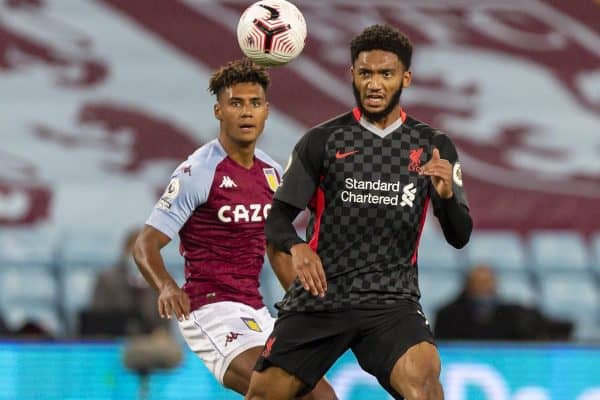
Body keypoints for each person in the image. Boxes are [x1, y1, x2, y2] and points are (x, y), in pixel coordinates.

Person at [246, 24, 473, 400]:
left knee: (425, 384)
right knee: (263, 395)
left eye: (386, 74)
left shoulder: (433, 146)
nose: (375, 84)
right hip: (322, 297)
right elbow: (278, 218)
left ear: (406, 78)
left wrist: (447, 196)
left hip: (390, 299)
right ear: (352, 74)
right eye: (365, 73)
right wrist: (296, 248)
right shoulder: (322, 141)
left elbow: (460, 236)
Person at [133, 59, 337, 399]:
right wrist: (167, 287)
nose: (246, 112)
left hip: (255, 309)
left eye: (254, 103)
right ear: (219, 111)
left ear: (266, 111)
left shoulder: (272, 173)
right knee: (274, 387)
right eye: (236, 103)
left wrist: (303, 305)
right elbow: (144, 245)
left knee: (322, 396)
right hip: (208, 308)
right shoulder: (197, 172)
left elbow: (276, 248)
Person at [434, 264, 573, 341]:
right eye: (479, 283)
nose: (484, 288)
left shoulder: (512, 315)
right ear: (468, 287)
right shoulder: (449, 316)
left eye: (488, 283)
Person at [89, 228, 168, 336]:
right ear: (125, 251)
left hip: (150, 344)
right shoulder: (107, 280)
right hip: (112, 341)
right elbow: (97, 318)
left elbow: (164, 325)